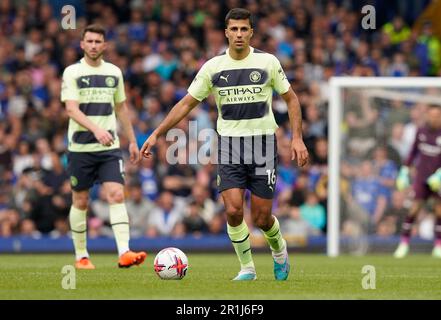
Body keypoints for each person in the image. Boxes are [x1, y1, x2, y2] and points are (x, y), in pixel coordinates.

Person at [141, 8, 308, 280]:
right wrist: (157, 133)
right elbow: (186, 103)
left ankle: (279, 252)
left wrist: (297, 138)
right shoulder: (213, 67)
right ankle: (247, 268)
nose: (239, 34)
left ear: (251, 32)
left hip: (262, 145)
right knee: (232, 210)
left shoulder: (267, 62)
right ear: (226, 32)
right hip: (230, 145)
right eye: (234, 29)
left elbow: (291, 99)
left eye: (244, 29)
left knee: (262, 218)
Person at [61, 24, 146, 269]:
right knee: (81, 201)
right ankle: (81, 256)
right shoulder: (72, 72)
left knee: (117, 194)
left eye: (98, 42)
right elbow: (71, 109)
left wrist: (132, 140)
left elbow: (121, 108)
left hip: (109, 148)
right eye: (90, 41)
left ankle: (124, 252)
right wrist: (96, 129)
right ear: (82, 44)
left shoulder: (114, 73)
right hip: (80, 148)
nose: (94, 45)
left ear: (105, 45)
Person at [394, 104, 441, 258]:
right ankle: (404, 243)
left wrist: (439, 175)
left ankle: (438, 245)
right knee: (414, 208)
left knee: (439, 210)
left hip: (438, 178)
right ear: (427, 115)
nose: (434, 118)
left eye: (437, 116)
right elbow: (413, 151)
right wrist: (404, 170)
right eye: (432, 115)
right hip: (422, 177)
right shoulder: (421, 131)